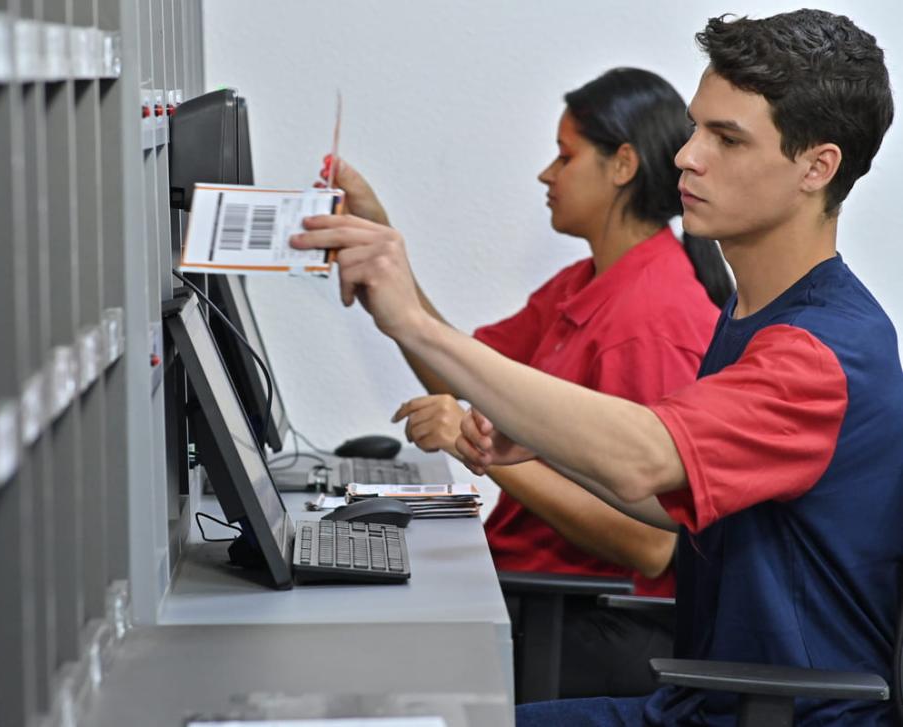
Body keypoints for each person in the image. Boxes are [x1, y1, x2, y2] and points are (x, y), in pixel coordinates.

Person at [292, 9, 899, 725]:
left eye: (726, 139)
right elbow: (674, 491)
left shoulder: (819, 351)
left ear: (816, 166)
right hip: (703, 700)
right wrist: (542, 443)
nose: (686, 156)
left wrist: (418, 324)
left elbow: (645, 462)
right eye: (697, 128)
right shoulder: (753, 313)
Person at [324, 67, 732, 697]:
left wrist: (481, 451)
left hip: (582, 621)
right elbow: (464, 370)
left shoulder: (653, 320)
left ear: (622, 165)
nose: (547, 174)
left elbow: (652, 544)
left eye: (565, 156)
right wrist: (387, 259)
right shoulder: (586, 283)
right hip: (529, 594)